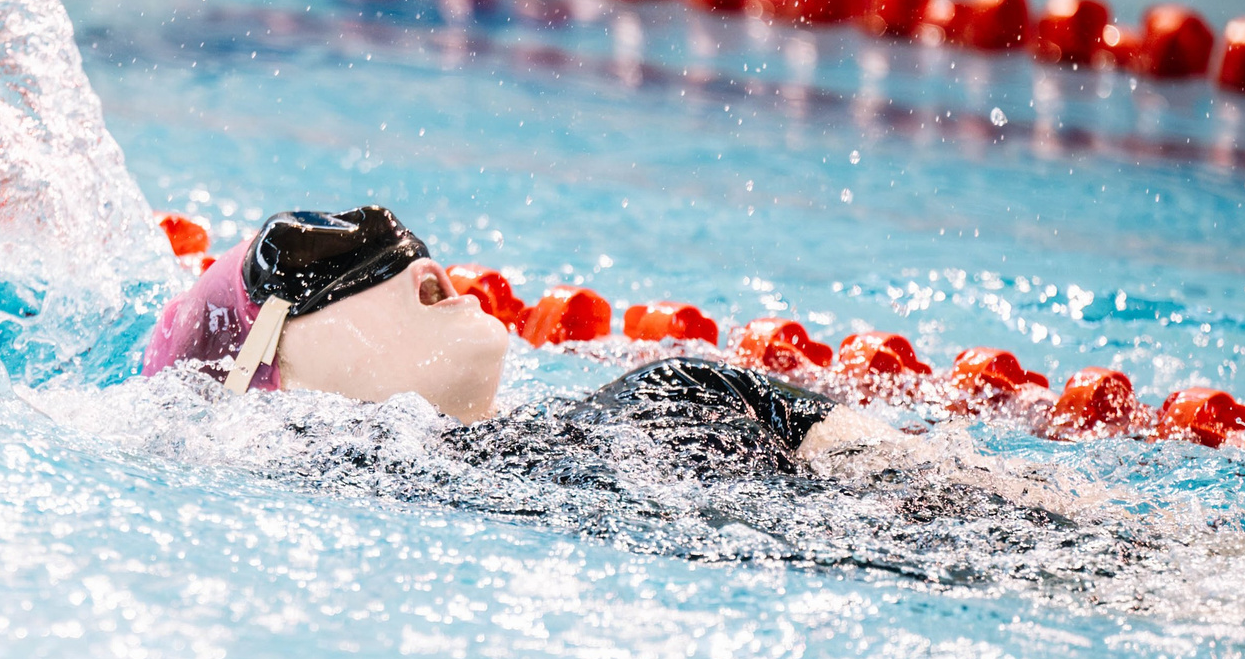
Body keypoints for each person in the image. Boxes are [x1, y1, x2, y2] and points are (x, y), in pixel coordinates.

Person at [141, 204, 846, 476]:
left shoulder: (682, 386)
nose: (422, 267)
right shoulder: (359, 483)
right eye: (289, 255)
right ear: (278, 388)